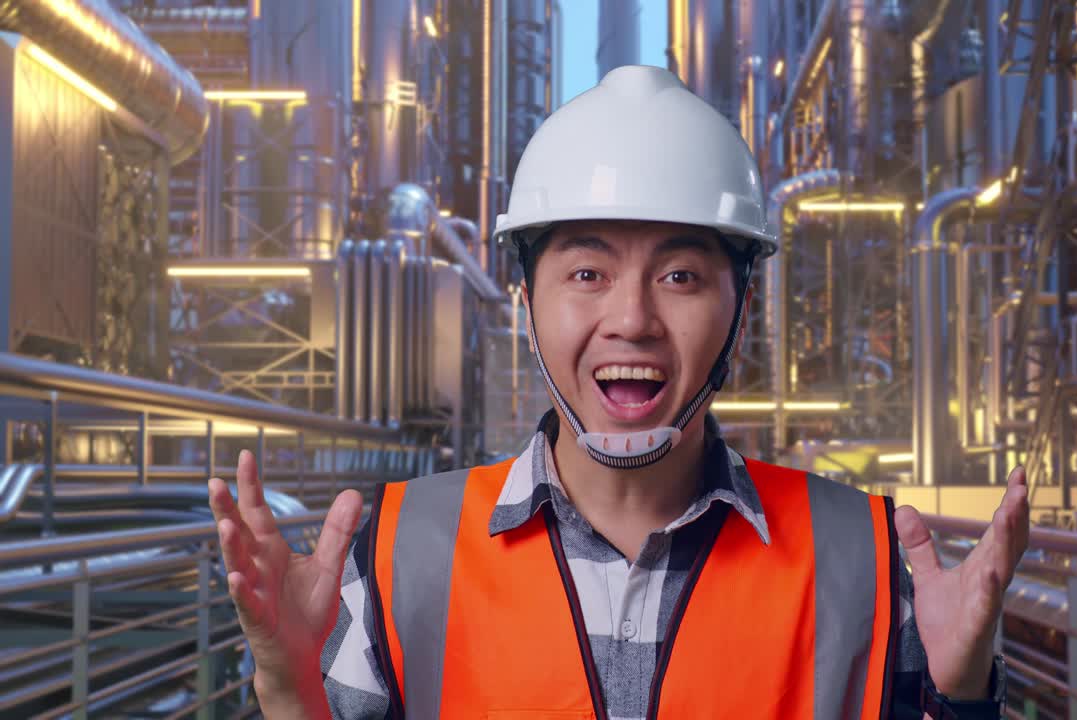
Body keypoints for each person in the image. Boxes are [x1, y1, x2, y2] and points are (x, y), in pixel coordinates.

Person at [208, 65, 1029, 719]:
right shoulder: (399, 555)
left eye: (680, 276)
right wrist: (290, 688)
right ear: (527, 308)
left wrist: (962, 696)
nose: (632, 319)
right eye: (587, 274)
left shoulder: (862, 560)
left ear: (742, 313)